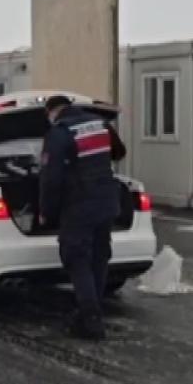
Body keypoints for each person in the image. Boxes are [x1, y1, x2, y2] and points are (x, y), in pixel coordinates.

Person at [39, 95, 125, 340]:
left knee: (77, 257)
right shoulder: (99, 124)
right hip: (107, 199)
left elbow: (51, 179)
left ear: (52, 112)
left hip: (80, 203)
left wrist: (47, 212)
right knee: (99, 255)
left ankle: (90, 319)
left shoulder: (59, 133)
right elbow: (119, 152)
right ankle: (92, 310)